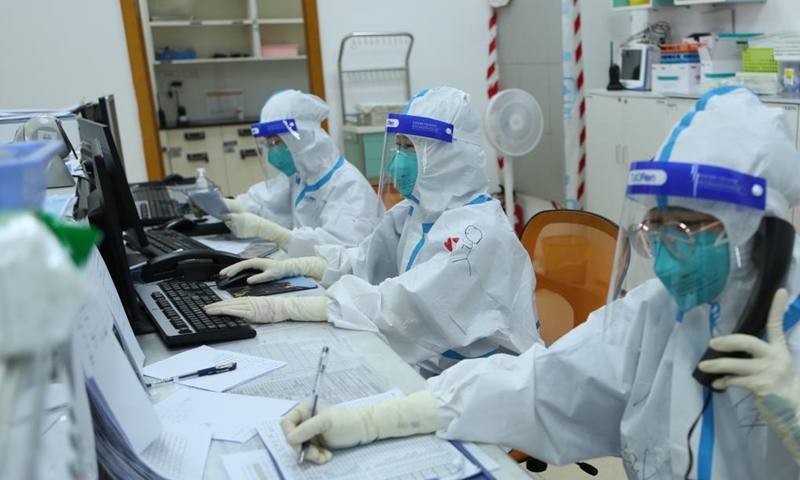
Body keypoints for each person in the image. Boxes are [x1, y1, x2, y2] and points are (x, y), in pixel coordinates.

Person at [278, 86, 800, 478]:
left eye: (686, 229)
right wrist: (372, 419)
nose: (664, 255)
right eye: (654, 228)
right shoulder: (657, 313)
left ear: (758, 231)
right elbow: (538, 384)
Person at [204, 86, 541, 373]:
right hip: (433, 368)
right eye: (399, 146)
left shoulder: (477, 234)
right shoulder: (414, 213)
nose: (398, 160)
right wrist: (293, 266)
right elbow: (360, 261)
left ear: (449, 156)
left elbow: (399, 308)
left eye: (411, 149)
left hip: (485, 383)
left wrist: (289, 308)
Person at [216, 90, 381, 257]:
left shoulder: (349, 186)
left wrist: (277, 234)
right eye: (267, 144)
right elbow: (266, 202)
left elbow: (341, 252)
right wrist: (228, 206)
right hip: (307, 273)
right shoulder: (301, 177)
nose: (271, 150)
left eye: (275, 142)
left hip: (335, 279)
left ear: (302, 137)